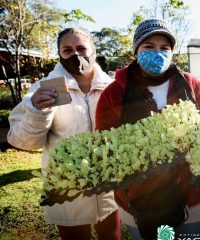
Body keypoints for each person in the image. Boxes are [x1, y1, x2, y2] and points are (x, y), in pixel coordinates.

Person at [95, 19, 200, 239]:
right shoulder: (114, 93)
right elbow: (104, 145)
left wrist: (194, 128)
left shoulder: (191, 84)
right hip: (138, 201)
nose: (157, 53)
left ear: (172, 52)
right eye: (148, 47)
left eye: (164, 48)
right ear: (136, 51)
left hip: (192, 198)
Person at [7, 27, 120, 240]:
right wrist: (37, 110)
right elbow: (22, 140)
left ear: (93, 50)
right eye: (67, 50)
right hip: (68, 190)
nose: (75, 55)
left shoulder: (114, 88)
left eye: (81, 48)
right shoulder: (41, 89)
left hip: (108, 187)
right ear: (59, 54)